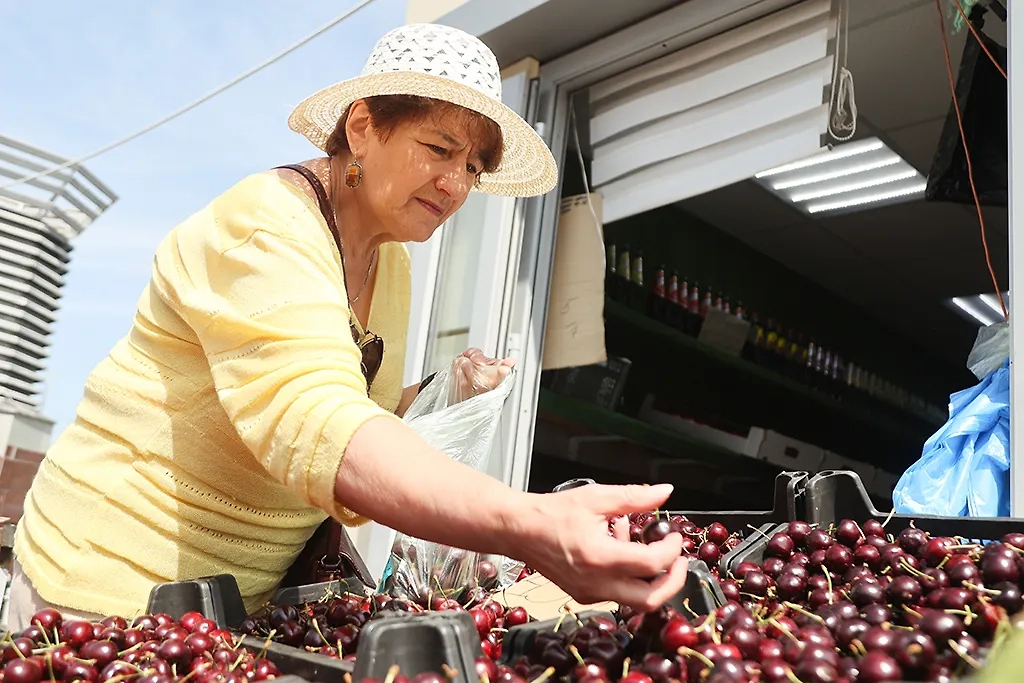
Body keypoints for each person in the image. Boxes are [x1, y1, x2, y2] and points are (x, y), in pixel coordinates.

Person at [9, 23, 687, 629]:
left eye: (473, 168)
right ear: (361, 125)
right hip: (110, 587)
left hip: (236, 601)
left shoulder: (389, 259)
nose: (455, 184)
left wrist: (437, 395)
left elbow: (349, 403)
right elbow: (316, 422)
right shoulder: (263, 226)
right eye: (439, 147)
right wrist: (528, 522)